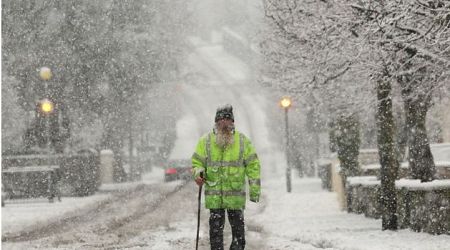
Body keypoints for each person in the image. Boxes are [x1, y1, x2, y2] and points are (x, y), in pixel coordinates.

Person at [192, 104, 261, 250]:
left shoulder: (243, 141)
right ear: (216, 122)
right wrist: (198, 174)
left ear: (232, 122)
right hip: (214, 197)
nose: (224, 122)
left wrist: (254, 191)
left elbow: (253, 166)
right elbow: (197, 162)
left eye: (227, 119)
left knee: (238, 236)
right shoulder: (206, 141)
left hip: (235, 198)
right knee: (215, 236)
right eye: (221, 120)